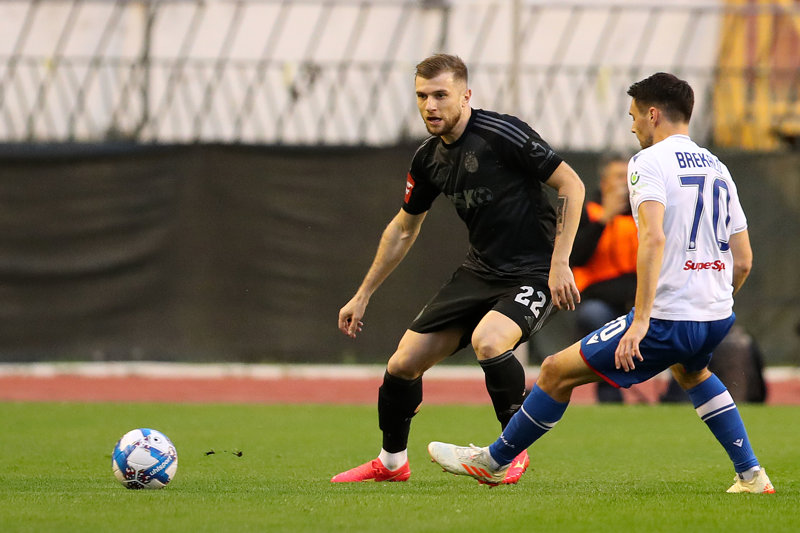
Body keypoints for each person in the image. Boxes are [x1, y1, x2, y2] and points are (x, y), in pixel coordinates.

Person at [428, 72, 775, 494]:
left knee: (555, 372)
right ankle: (751, 475)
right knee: (693, 373)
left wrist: (642, 322)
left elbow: (653, 238)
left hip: (667, 318)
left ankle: (494, 461)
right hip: (716, 316)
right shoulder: (719, 168)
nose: (632, 127)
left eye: (633, 116)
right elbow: (744, 259)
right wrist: (714, 303)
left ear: (652, 114)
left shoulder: (648, 162)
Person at [331, 54, 585, 484]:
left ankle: (510, 453)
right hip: (479, 271)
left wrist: (559, 262)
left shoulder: (502, 133)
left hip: (533, 271)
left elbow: (571, 185)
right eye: (421, 96)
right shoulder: (428, 159)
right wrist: (363, 293)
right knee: (402, 363)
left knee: (490, 341)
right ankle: (391, 463)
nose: (430, 106)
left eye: (440, 95)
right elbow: (403, 229)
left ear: (465, 96)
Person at [571, 152, 638, 403]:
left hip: (641, 301)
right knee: (594, 315)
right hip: (602, 300)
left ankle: (676, 396)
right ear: (604, 183)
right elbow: (576, 257)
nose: (624, 183)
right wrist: (603, 220)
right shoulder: (588, 212)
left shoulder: (646, 213)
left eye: (628, 177)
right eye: (618, 177)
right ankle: (610, 394)